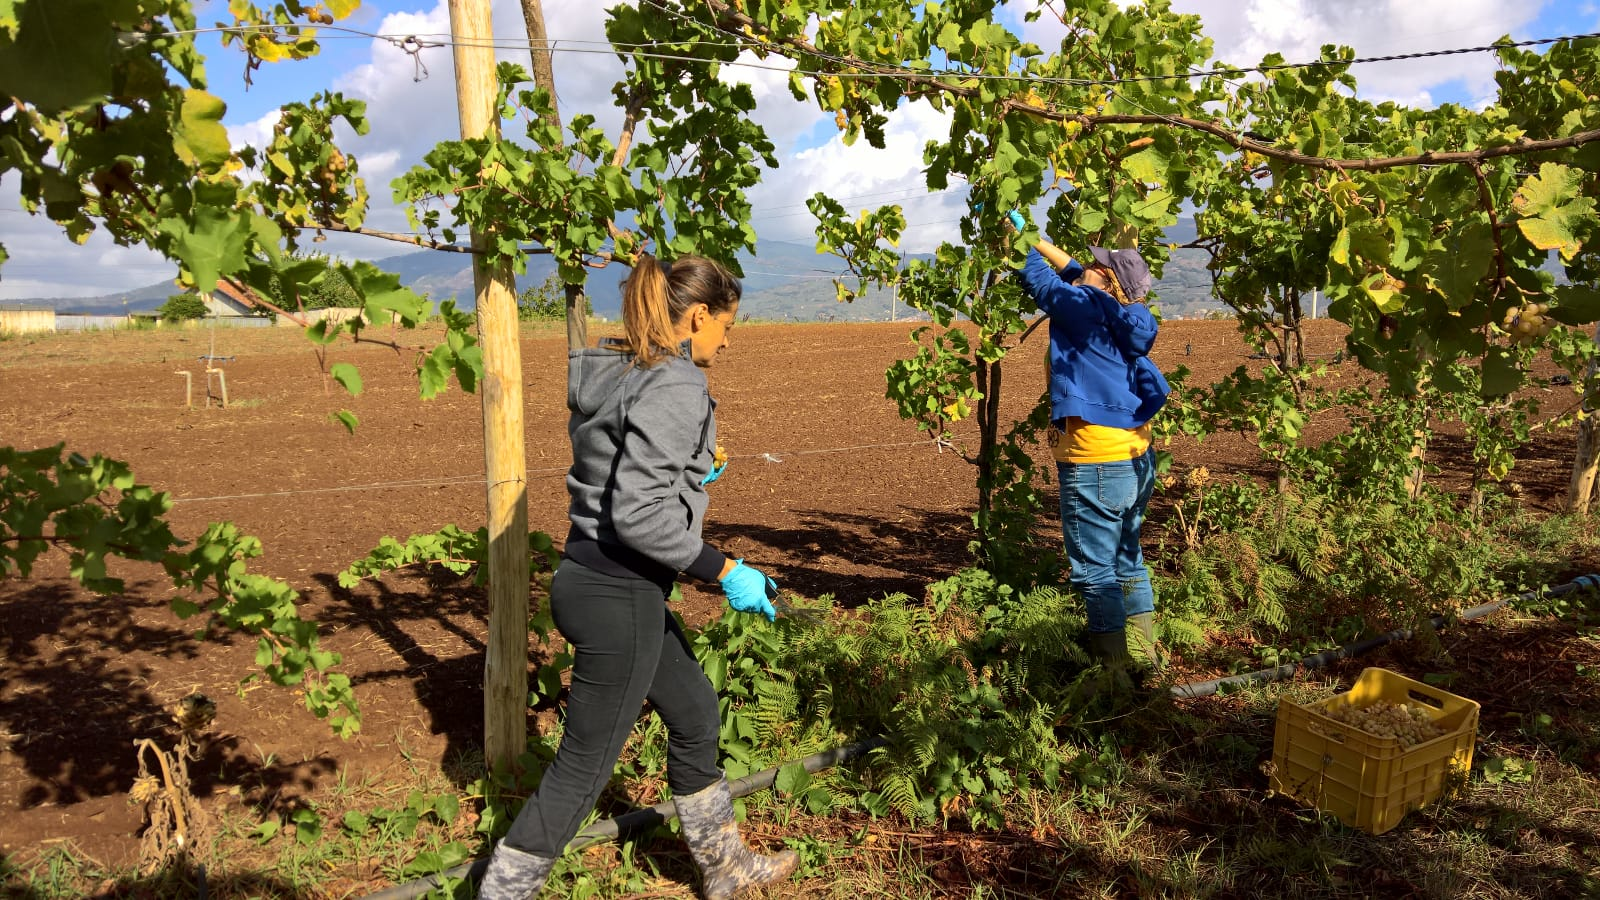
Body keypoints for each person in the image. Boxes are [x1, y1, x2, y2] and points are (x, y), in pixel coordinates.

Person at [477, 254, 798, 900]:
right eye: (725, 326)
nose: (726, 342)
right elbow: (638, 515)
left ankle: (723, 864)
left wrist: (692, 472)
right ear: (699, 314)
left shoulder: (623, 369)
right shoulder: (677, 381)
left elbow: (621, 473)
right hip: (618, 589)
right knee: (582, 769)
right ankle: (501, 892)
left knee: (695, 711)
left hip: (592, 578)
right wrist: (725, 567)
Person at [1009, 210, 1170, 684]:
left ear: (1107, 280)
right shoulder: (1127, 315)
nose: (1089, 265)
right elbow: (1077, 272)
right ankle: (1145, 658)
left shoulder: (1082, 310)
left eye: (1100, 265)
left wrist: (1014, 240)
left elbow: (1042, 284)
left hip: (1093, 461)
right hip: (1134, 456)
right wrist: (1037, 236)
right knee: (1128, 560)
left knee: (1096, 573)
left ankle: (1113, 676)